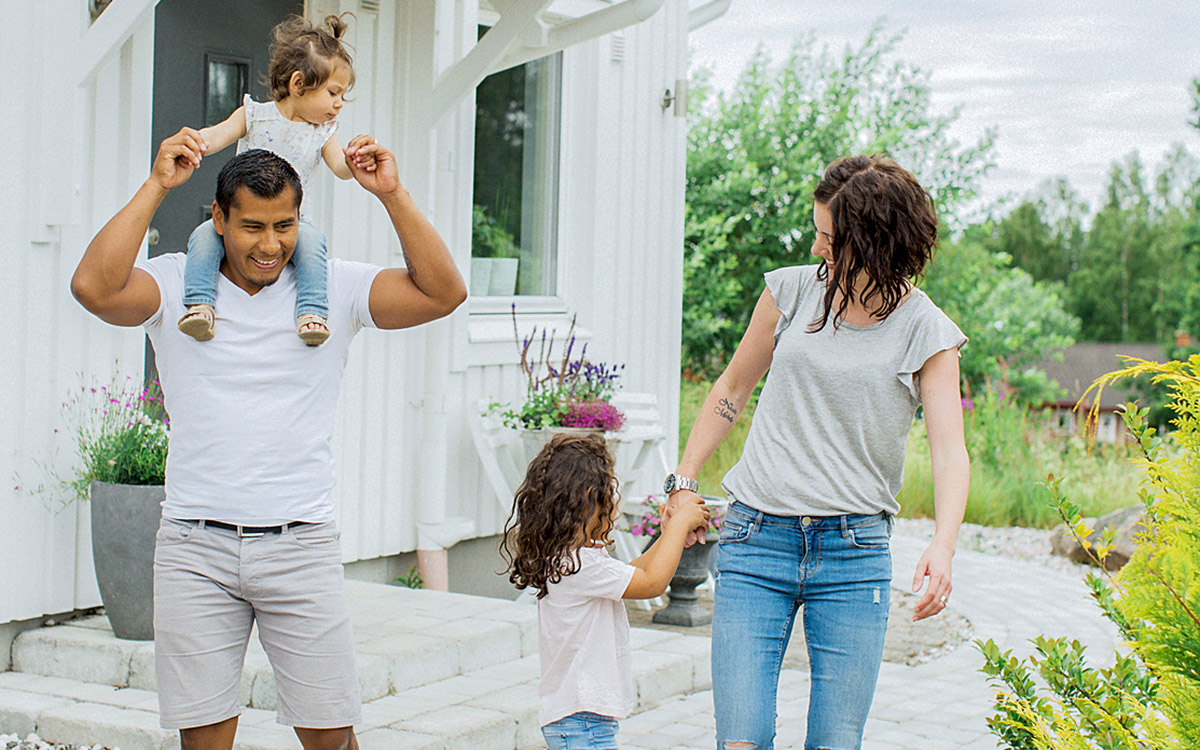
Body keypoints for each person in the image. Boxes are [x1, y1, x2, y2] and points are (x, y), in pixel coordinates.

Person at [70, 129, 466, 749]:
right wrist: (156, 185)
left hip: (298, 544)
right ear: (219, 220)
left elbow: (444, 293)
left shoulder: (333, 288)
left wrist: (392, 195)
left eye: (285, 225)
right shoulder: (176, 284)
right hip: (194, 549)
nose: (271, 244)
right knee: (202, 740)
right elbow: (93, 287)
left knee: (332, 738)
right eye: (253, 226)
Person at [663, 155, 971, 750]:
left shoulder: (927, 331)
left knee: (835, 741)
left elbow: (949, 450)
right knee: (742, 738)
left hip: (854, 557)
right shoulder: (790, 290)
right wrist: (683, 477)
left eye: (832, 238)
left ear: (877, 242)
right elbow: (731, 389)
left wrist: (944, 544)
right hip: (756, 542)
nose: (819, 246)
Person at [500, 434, 709, 750]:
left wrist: (669, 535)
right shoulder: (579, 562)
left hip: (578, 720)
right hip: (582, 721)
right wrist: (680, 523)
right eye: (610, 496)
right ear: (588, 500)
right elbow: (651, 583)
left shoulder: (571, 557)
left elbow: (635, 574)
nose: (614, 507)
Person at [177, 13, 368, 346]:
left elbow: (339, 167)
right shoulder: (254, 115)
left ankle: (311, 313)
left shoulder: (323, 132)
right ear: (298, 84)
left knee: (312, 246)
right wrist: (195, 143)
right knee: (203, 238)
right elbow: (219, 135)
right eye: (333, 93)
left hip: (288, 222)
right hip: (241, 216)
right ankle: (200, 306)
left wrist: (355, 161)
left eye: (342, 96)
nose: (338, 104)